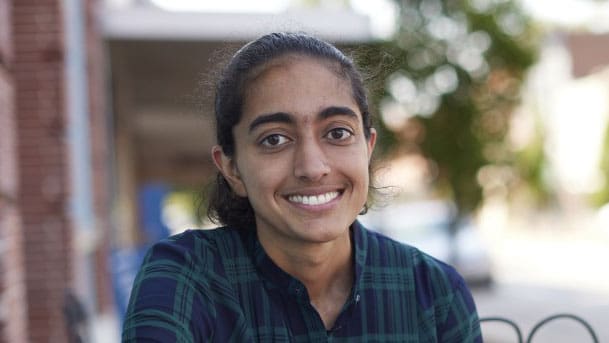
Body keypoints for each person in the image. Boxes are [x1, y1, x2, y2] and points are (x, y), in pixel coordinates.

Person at [122, 32, 482, 342]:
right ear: (232, 168)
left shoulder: (434, 293)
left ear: (367, 149)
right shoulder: (186, 277)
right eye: (274, 139)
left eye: (338, 133)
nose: (312, 167)